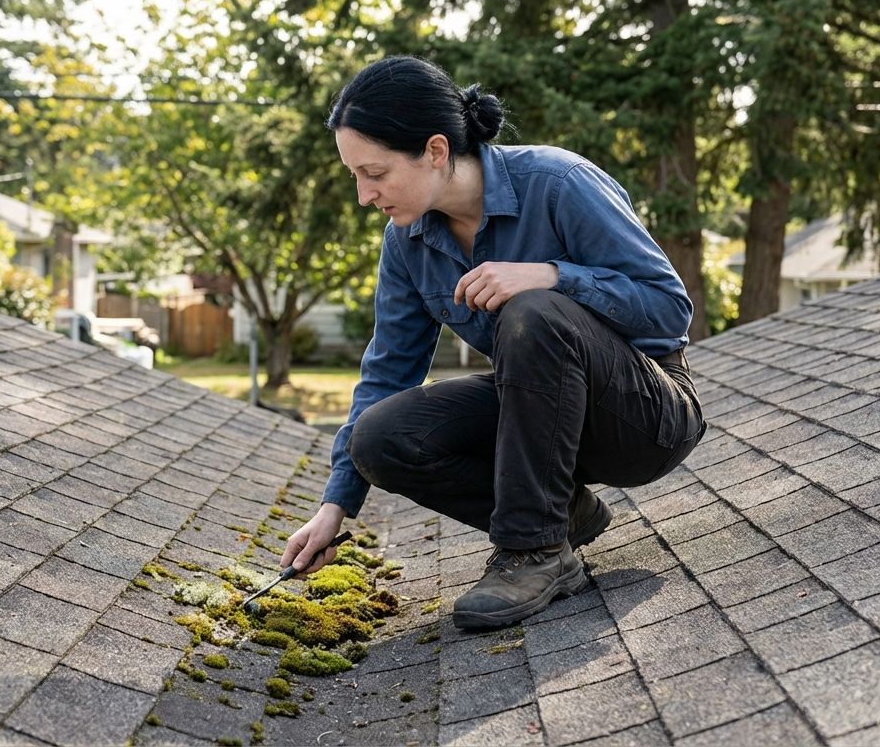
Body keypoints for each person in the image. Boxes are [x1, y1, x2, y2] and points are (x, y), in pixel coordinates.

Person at [281, 55, 705, 630]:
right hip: (541, 423)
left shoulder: (557, 183)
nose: (363, 195)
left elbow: (670, 309)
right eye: (354, 176)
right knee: (380, 436)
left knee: (533, 312)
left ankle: (533, 552)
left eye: (375, 173)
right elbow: (387, 372)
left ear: (435, 151)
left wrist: (552, 276)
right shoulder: (407, 243)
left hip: (645, 415)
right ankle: (563, 515)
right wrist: (335, 507)